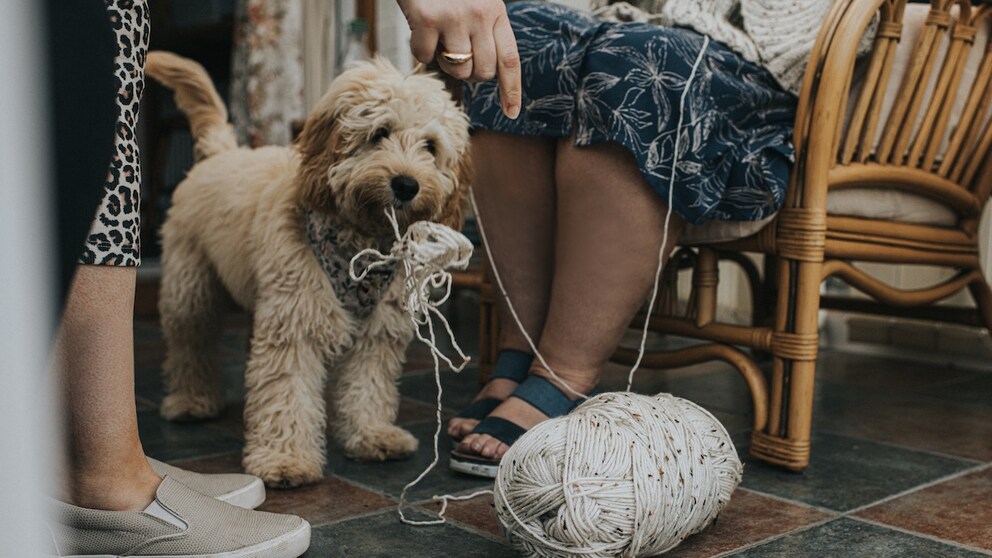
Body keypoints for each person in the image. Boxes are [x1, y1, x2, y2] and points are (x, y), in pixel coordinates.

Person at [47, 1, 519, 556]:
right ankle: (259, 430)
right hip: (211, 198)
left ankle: (365, 425)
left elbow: (380, 342)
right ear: (331, 148)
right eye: (378, 137)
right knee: (206, 317)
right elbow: (283, 346)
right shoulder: (297, 219)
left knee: (381, 336)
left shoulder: (403, 245)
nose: (406, 170)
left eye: (429, 149)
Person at [447, 0, 858, 475]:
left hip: (753, 89)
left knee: (642, 59)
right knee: (516, 33)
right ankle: (520, 354)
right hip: (638, 30)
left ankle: (562, 375)